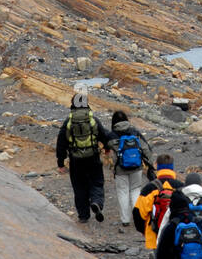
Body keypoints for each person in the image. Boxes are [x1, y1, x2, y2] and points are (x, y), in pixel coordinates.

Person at [132, 155, 182, 259]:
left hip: (156, 238)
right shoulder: (181, 187)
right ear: (173, 167)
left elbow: (138, 213)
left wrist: (143, 231)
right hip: (179, 237)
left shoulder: (150, 188)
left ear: (158, 167)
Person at [56, 93, 111, 224]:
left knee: (79, 187)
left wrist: (61, 163)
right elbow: (103, 135)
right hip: (93, 157)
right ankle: (96, 202)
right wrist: (107, 148)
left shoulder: (68, 122)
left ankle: (83, 215)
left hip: (76, 160)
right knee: (96, 182)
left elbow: (61, 143)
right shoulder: (93, 120)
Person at [108, 110, 153, 234]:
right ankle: (137, 217)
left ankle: (125, 219)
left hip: (120, 168)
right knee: (135, 190)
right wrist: (150, 163)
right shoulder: (134, 132)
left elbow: (106, 148)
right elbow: (145, 148)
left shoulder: (112, 135)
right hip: (136, 167)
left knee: (123, 192)